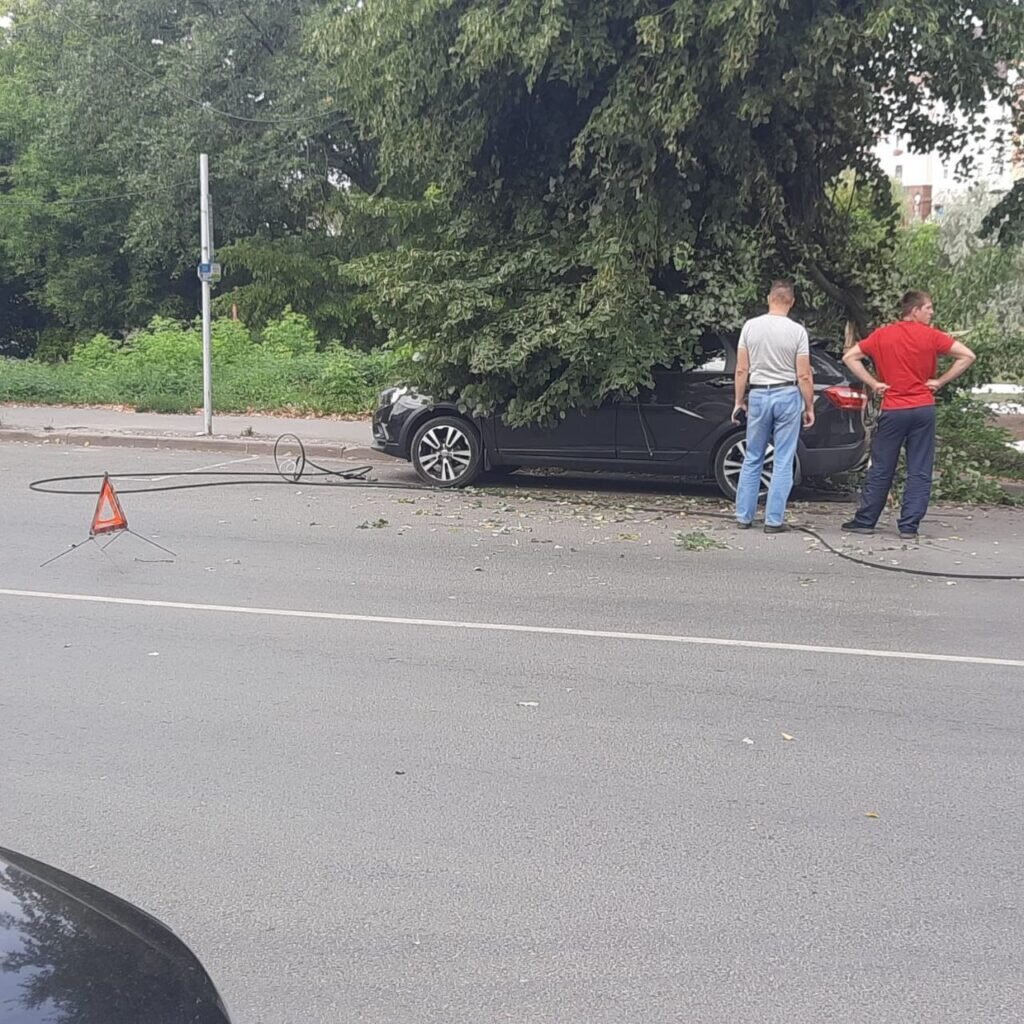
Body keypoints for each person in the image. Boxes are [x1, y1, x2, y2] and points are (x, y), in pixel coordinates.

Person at [841, 291, 975, 540]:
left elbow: (850, 357)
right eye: (928, 308)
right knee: (920, 468)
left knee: (882, 466)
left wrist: (874, 383)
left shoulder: (882, 335)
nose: (931, 313)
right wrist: (939, 381)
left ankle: (866, 520)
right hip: (923, 408)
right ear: (914, 311)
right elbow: (967, 355)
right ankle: (909, 525)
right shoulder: (932, 336)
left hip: (893, 409)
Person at [732, 281, 815, 533]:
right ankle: (773, 520)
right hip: (788, 394)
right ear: (792, 301)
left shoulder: (750, 327)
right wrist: (809, 405)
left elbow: (741, 370)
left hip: (758, 394)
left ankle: (743, 517)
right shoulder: (798, 332)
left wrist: (738, 401)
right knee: (782, 458)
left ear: (769, 298)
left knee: (753, 456)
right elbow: (803, 375)